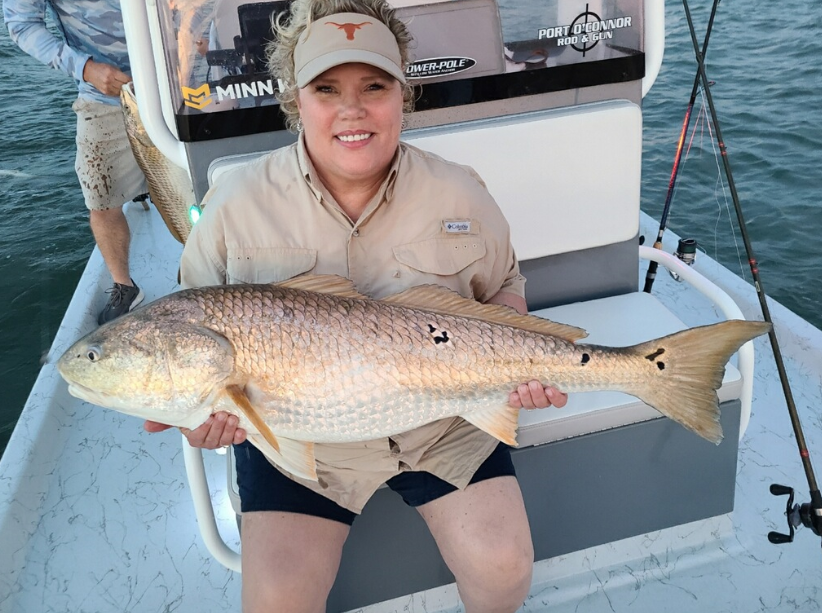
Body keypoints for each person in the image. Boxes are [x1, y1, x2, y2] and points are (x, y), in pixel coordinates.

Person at [145, 0, 568, 610]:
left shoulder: (459, 189)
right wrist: (203, 416)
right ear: (296, 99)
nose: (352, 109)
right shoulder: (234, 204)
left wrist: (518, 368)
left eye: (374, 85)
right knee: (276, 601)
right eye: (327, 88)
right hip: (295, 438)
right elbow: (190, 330)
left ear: (403, 96)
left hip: (442, 421)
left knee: (503, 565)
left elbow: (504, 290)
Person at [3, 0, 148, 324]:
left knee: (203, 185)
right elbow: (22, 24)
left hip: (186, 85)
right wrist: (86, 68)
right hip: (106, 97)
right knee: (102, 200)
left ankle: (210, 272)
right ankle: (124, 286)